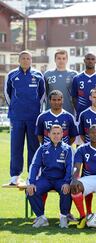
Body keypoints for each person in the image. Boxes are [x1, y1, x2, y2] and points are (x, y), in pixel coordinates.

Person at [4, 50, 46, 185]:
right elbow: (7, 94)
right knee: (16, 146)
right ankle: (14, 176)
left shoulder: (38, 75)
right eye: (23, 58)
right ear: (19, 60)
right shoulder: (11, 75)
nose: (26, 60)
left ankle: (33, 175)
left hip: (34, 117)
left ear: (31, 60)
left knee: (33, 146)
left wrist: (35, 110)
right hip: (17, 117)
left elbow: (42, 95)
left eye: (28, 58)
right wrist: (15, 108)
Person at [26, 125, 72, 228]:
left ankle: (64, 217)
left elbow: (70, 167)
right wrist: (31, 182)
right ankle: (41, 217)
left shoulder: (67, 149)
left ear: (62, 134)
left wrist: (66, 182)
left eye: (58, 133)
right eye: (54, 133)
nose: (56, 136)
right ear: (49, 134)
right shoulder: (42, 148)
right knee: (31, 190)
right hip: (45, 179)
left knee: (66, 190)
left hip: (61, 179)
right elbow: (34, 165)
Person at [71, 53, 96, 120]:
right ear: (84, 60)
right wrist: (78, 109)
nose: (90, 61)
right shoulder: (77, 78)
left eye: (92, 59)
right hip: (81, 114)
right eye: (88, 59)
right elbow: (74, 97)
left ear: (95, 61)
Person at [44, 49, 78, 116]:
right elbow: (44, 94)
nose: (61, 61)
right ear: (55, 60)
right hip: (50, 111)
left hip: (68, 111)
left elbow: (77, 95)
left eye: (63, 58)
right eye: (59, 58)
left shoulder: (74, 74)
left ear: (67, 60)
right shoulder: (47, 74)